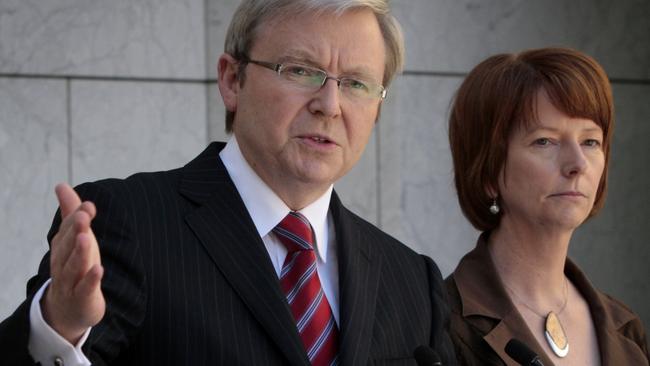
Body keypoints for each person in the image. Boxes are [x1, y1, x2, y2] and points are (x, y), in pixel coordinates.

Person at [0, 0, 456, 365]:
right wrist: (58, 327)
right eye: (300, 71)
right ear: (232, 79)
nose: (330, 104)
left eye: (356, 83)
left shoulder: (412, 280)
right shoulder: (127, 222)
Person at [445, 47, 649, 365]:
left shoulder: (627, 329)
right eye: (545, 141)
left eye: (590, 141)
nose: (578, 163)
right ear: (487, 170)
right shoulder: (442, 324)